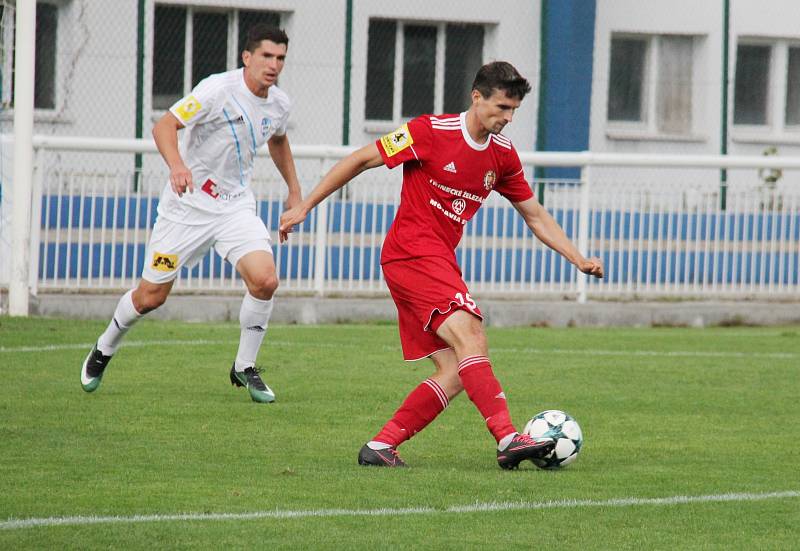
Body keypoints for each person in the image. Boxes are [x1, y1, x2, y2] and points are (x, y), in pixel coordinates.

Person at [279, 61, 604, 469]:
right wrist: (305, 205)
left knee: (454, 371)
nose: (507, 118)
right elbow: (361, 159)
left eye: (513, 111)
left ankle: (381, 446)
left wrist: (578, 259)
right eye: (501, 107)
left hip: (433, 260)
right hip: (412, 252)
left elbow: (535, 215)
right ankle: (507, 437)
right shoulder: (429, 131)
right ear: (477, 97)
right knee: (472, 333)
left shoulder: (502, 156)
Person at [80, 25, 302, 403]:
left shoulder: (279, 103)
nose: (274, 65)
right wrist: (177, 165)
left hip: (234, 206)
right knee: (150, 297)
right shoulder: (217, 90)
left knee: (265, 280)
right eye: (267, 56)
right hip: (186, 208)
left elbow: (278, 139)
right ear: (247, 57)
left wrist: (294, 191)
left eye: (280, 58)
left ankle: (244, 367)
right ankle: (104, 346)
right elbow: (165, 124)